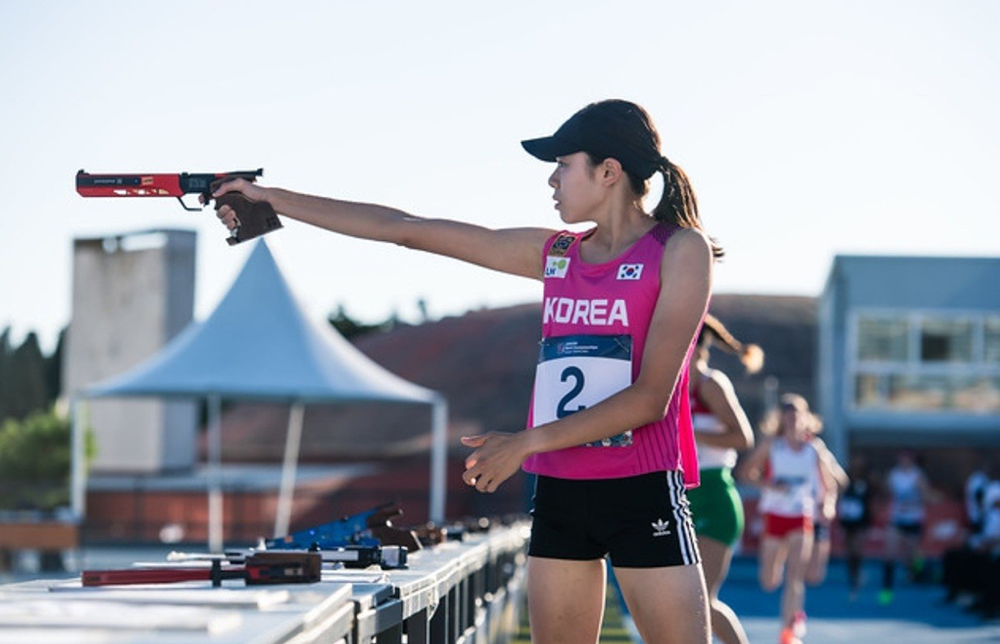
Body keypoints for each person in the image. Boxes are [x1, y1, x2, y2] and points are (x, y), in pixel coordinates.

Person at [214, 99, 716, 644]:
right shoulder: (558, 253)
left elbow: (650, 398)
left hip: (640, 487)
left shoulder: (679, 250)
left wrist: (524, 442)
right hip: (562, 491)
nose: (552, 180)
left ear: (609, 171)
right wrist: (272, 199)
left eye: (563, 165)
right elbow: (405, 229)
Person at [738, 394, 840, 644]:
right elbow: (746, 474)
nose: (793, 419)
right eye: (788, 415)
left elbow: (830, 486)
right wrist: (770, 485)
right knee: (769, 581)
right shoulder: (772, 446)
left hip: (801, 516)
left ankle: (788, 630)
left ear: (806, 418)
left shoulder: (814, 449)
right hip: (774, 515)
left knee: (795, 578)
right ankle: (790, 612)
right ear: (781, 418)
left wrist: (828, 505)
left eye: (797, 415)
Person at [685, 314, 761, 644]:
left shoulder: (711, 384)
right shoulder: (668, 387)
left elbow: (744, 438)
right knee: (679, 601)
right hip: (681, 498)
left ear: (697, 347)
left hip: (715, 496)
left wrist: (692, 435)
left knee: (701, 599)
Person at [880, 450, 933, 605]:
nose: (903, 460)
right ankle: (886, 590)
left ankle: (919, 572)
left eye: (907, 458)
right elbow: (886, 493)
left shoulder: (918, 475)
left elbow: (926, 496)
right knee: (889, 554)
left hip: (914, 519)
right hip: (897, 519)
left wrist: (919, 495)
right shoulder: (893, 475)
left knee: (911, 556)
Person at [805, 423, 848, 588]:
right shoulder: (780, 447)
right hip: (791, 513)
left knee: (814, 573)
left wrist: (828, 502)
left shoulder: (817, 448)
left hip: (816, 513)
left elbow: (841, 481)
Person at [838, 455, 874, 600]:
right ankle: (852, 574)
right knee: (849, 549)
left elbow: (874, 497)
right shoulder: (844, 479)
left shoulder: (868, 481)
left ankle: (858, 574)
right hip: (847, 519)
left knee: (857, 548)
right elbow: (839, 494)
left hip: (861, 520)